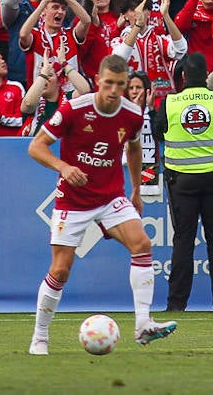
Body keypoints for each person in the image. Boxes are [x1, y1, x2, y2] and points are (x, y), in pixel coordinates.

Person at [28, 53, 177, 354]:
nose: (113, 91)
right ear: (97, 80)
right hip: (73, 198)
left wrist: (136, 190)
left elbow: (134, 149)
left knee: (142, 244)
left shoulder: (132, 114)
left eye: (120, 85)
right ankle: (40, 336)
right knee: (60, 270)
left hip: (110, 196)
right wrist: (64, 167)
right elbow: (36, 147)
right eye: (108, 83)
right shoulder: (74, 109)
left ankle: (143, 325)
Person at [152, 51, 213, 313]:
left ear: (183, 75)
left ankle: (176, 304)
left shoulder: (170, 102)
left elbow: (158, 132)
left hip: (182, 182)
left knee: (183, 241)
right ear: (208, 74)